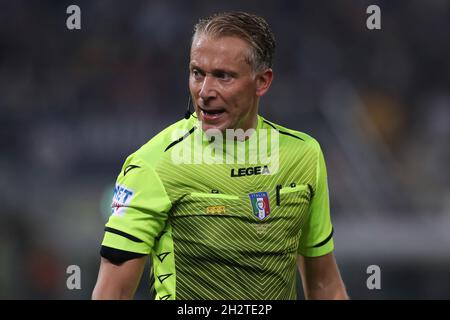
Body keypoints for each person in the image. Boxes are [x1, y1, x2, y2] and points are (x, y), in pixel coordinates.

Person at [92, 11, 348, 300]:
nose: (204, 91)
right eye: (197, 73)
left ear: (262, 82)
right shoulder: (153, 165)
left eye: (223, 76)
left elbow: (325, 286)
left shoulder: (303, 156)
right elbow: (111, 294)